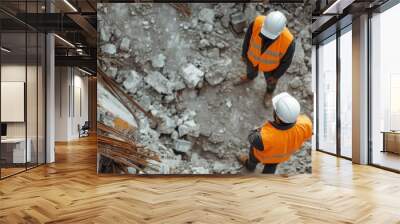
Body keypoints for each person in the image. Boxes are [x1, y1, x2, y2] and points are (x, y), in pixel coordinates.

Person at [237, 92, 312, 174]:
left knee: (253, 160)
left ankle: (250, 166)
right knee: (271, 167)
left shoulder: (263, 137)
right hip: (280, 157)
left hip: (259, 156)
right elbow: (307, 135)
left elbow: (251, 136)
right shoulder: (306, 123)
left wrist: (258, 130)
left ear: (278, 118)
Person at [235, 11, 296, 107]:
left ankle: (269, 92)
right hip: (252, 58)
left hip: (271, 67)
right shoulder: (257, 23)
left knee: (271, 82)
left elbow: (286, 62)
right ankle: (249, 77)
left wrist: (276, 76)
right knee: (250, 71)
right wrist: (244, 54)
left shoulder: (288, 41)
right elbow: (247, 39)